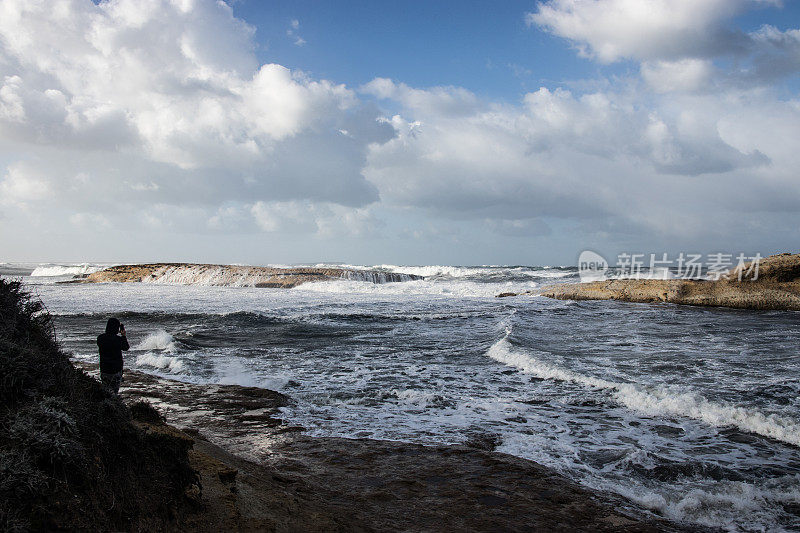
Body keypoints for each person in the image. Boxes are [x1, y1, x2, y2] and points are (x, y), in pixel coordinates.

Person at [97, 317, 129, 394]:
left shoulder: (100, 338)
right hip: (115, 370)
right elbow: (126, 347)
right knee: (114, 392)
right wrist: (123, 335)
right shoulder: (118, 339)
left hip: (104, 369)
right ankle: (113, 404)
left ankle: (106, 404)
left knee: (106, 390)